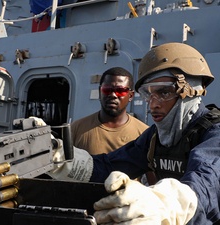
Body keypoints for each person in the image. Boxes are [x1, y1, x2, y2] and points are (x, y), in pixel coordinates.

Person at [48, 42, 220, 224]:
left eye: (164, 92)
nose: (153, 104)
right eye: (148, 93)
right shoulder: (155, 137)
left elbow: (206, 183)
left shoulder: (214, 134)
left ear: (191, 90)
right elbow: (110, 166)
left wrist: (163, 206)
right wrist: (61, 159)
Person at [71, 67, 148, 155]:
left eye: (120, 90)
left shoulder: (144, 134)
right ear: (100, 92)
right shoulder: (77, 129)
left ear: (130, 96)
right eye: (107, 90)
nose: (113, 95)